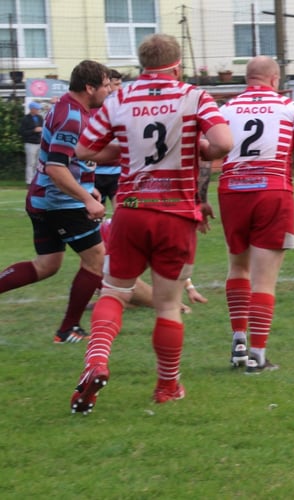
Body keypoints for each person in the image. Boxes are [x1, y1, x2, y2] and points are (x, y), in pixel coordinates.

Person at [70, 33, 233, 414]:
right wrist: (200, 150)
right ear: (177, 65)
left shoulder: (120, 98)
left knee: (113, 292)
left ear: (142, 65)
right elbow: (223, 143)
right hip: (175, 214)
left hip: (131, 208)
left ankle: (96, 362)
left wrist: (125, 151)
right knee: (167, 306)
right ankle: (166, 387)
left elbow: (84, 149)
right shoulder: (194, 96)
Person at [218, 55, 294, 373]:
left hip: (231, 190)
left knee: (237, 267)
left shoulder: (225, 109)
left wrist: (201, 197)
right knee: (264, 279)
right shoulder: (291, 109)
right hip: (272, 190)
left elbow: (205, 151)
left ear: (247, 78)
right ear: (275, 79)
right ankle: (258, 355)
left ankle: (238, 342)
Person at [0, 60, 112, 343]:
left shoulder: (69, 107)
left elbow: (67, 161)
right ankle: (68, 329)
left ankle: (68, 328)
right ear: (90, 87)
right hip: (58, 202)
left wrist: (87, 186)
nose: (109, 90)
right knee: (95, 258)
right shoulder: (72, 116)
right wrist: (86, 197)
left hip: (46, 198)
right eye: (106, 84)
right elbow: (56, 167)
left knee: (46, 265)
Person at [93, 69, 124, 208]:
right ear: (107, 85)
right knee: (97, 217)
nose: (120, 88)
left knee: (122, 214)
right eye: (117, 84)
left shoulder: (123, 108)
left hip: (117, 172)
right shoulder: (94, 110)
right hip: (95, 173)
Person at [19, 101, 44, 185]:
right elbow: (22, 132)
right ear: (32, 109)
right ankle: (29, 181)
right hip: (30, 143)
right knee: (30, 163)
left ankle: (37, 180)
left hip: (39, 143)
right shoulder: (25, 119)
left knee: (38, 163)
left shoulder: (40, 118)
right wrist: (34, 130)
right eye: (36, 109)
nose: (38, 110)